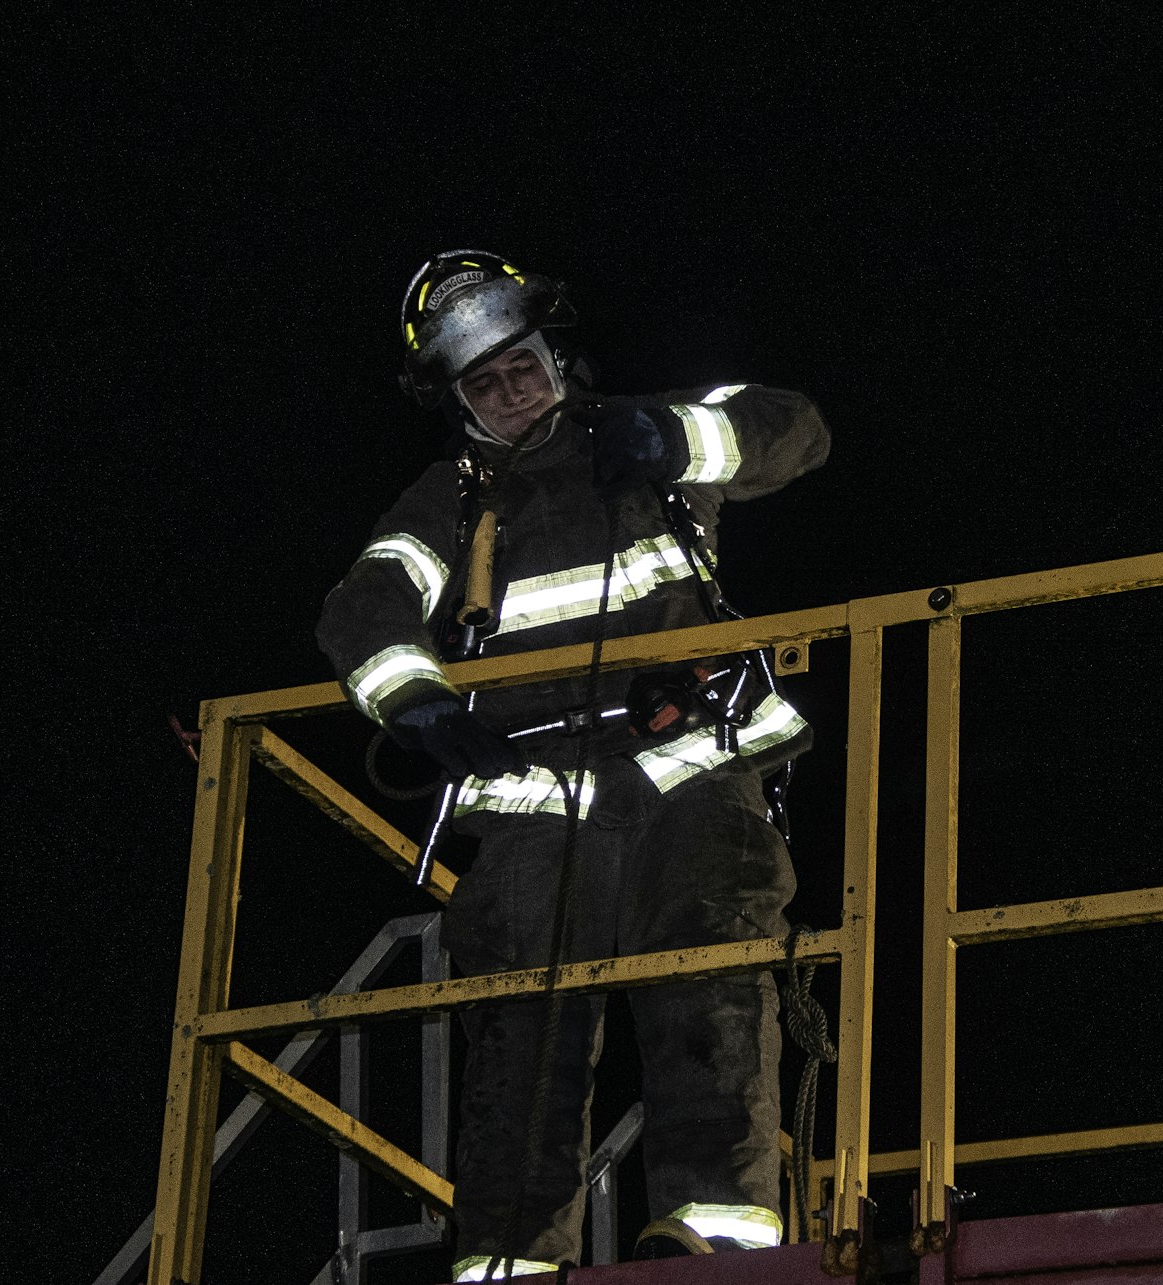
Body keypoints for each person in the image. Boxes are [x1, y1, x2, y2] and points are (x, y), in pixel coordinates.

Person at [316, 250, 829, 1280]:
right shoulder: (446, 502)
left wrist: (674, 438)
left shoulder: (646, 437)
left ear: (556, 355)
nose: (512, 395)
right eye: (485, 384)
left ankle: (714, 1237)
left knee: (708, 993)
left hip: (688, 768)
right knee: (521, 1047)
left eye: (523, 368)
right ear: (455, 398)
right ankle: (506, 1264)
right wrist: (413, 698)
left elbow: (794, 428)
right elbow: (363, 608)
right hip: (534, 804)